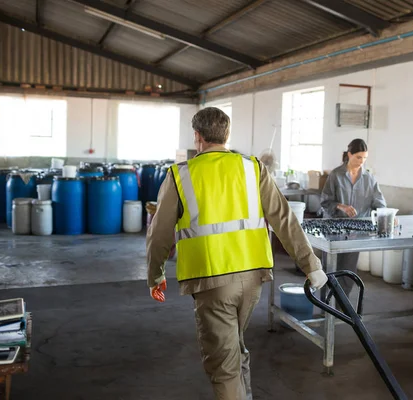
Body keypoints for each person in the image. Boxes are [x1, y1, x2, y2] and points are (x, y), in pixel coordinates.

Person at [146, 107, 327, 400]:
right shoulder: (253, 167)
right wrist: (311, 265)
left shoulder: (181, 175)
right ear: (227, 135)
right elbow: (285, 220)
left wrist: (155, 275)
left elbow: (159, 234)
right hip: (253, 281)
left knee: (223, 365)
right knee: (235, 347)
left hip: (212, 281)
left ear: (197, 137)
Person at [320, 138, 387, 296]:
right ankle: (325, 306)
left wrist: (385, 214)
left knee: (348, 271)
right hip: (333, 229)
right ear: (349, 154)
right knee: (329, 269)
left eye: (364, 158)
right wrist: (340, 206)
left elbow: (379, 202)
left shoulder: (369, 179)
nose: (361, 161)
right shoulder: (336, 175)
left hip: (356, 231)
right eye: (358, 157)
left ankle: (342, 306)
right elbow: (325, 202)